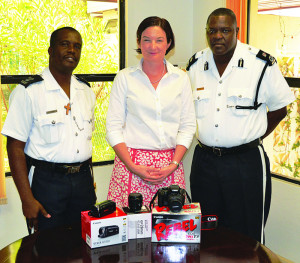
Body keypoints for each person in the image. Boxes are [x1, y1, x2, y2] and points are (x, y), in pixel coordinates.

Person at [187, 8, 295, 243]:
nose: (218, 36)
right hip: (205, 163)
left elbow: (280, 109)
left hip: (245, 164)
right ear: (207, 33)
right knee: (206, 232)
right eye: (213, 31)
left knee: (247, 234)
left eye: (225, 30)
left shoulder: (260, 64)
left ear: (237, 31)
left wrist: (251, 137)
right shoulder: (196, 65)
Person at [2, 27, 96, 232]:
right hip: (47, 183)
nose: (72, 50)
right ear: (50, 50)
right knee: (47, 248)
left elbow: (84, 140)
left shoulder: (87, 92)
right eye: (65, 44)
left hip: (82, 183)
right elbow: (14, 148)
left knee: (85, 245)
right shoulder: (29, 92)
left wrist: (91, 179)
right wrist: (26, 199)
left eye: (77, 46)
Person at [106, 16, 196, 208]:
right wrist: (132, 166)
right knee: (130, 230)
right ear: (138, 42)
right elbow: (113, 128)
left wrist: (173, 164)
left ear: (169, 43)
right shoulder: (125, 78)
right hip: (131, 165)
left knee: (168, 230)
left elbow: (188, 127)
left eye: (159, 40)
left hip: (169, 167)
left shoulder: (181, 79)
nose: (152, 46)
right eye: (146, 39)